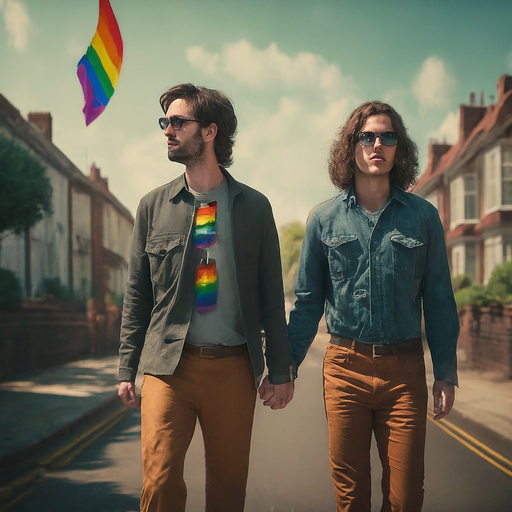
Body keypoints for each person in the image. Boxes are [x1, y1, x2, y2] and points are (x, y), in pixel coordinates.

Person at [118, 83, 294, 512]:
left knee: (228, 492)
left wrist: (281, 368)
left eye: (178, 122)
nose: (167, 130)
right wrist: (127, 366)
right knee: (158, 485)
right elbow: (137, 294)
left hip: (233, 369)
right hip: (167, 368)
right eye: (165, 122)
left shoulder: (254, 207)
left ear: (210, 131)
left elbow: (273, 294)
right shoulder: (152, 206)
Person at [286, 101, 459, 511]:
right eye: (367, 136)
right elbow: (308, 303)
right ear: (352, 146)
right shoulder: (323, 221)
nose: (377, 144)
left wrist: (446, 373)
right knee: (351, 495)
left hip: (404, 373)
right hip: (345, 370)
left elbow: (438, 302)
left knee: (406, 495)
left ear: (400, 148)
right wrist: (286, 365)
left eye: (387, 136)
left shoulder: (423, 218)